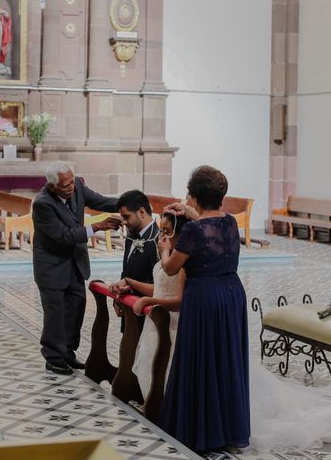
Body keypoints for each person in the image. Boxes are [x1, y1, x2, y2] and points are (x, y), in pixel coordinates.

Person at [158, 165, 250, 452]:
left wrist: (164, 249)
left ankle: (200, 430)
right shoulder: (232, 222)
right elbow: (210, 226)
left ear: (194, 197)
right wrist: (191, 213)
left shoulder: (193, 231)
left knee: (201, 359)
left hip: (204, 297)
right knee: (225, 360)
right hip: (232, 294)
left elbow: (171, 269)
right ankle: (227, 429)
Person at [32, 162, 121, 376]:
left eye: (72, 181)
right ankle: (53, 358)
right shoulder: (42, 204)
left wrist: (129, 204)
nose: (71, 187)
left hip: (75, 264)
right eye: (65, 185)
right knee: (56, 314)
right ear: (52, 186)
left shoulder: (78, 186)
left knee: (76, 309)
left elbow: (100, 201)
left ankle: (68, 352)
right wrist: (97, 226)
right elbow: (65, 235)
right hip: (52, 267)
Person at [129, 212, 188, 399]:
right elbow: (161, 289)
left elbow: (180, 300)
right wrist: (130, 282)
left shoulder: (184, 261)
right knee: (152, 371)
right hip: (156, 323)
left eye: (167, 231)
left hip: (174, 325)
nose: (162, 237)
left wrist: (149, 301)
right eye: (161, 230)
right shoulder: (169, 255)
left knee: (168, 373)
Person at [108, 190, 160, 329]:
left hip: (147, 314)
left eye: (126, 216)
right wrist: (118, 296)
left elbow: (161, 285)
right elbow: (127, 270)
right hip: (129, 309)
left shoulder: (158, 240)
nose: (123, 222)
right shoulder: (131, 236)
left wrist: (130, 285)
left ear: (142, 212)